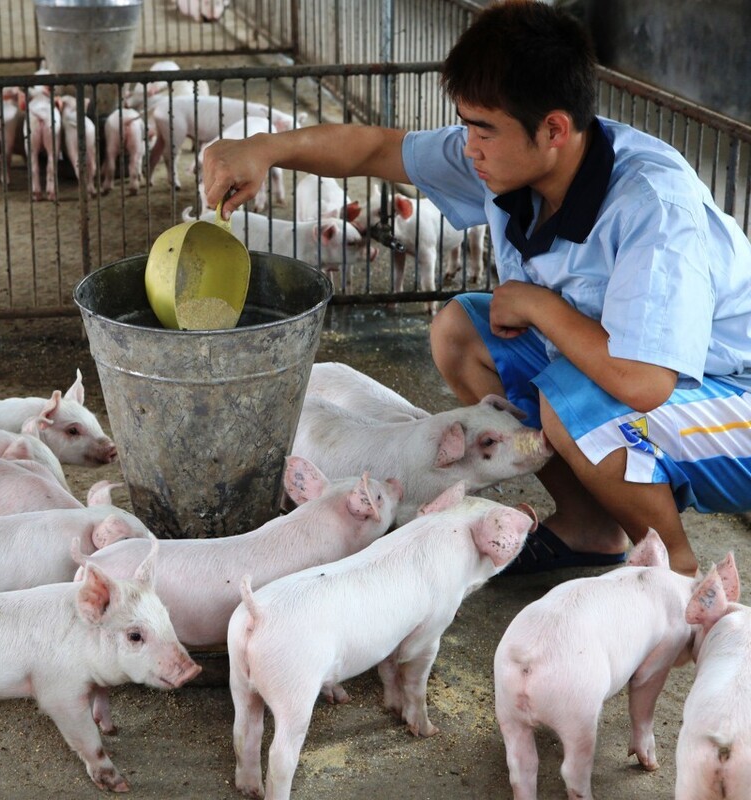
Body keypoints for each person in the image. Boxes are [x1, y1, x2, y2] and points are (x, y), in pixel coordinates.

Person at [201, 0, 751, 576]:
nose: (468, 147)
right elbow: (375, 149)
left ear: (554, 129)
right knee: (462, 332)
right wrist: (264, 149)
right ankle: (592, 527)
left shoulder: (652, 206)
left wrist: (538, 304)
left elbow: (645, 381)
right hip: (641, 378)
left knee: (570, 404)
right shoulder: (512, 160)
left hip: (726, 393)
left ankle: (677, 570)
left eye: (483, 129)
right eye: (466, 124)